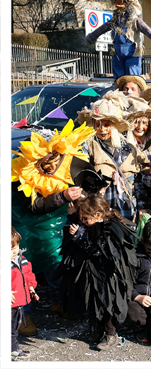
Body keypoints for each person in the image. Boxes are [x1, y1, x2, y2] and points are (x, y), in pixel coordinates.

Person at [11, 120, 95, 330]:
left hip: (52, 231)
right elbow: (32, 206)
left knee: (55, 266)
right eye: (46, 161)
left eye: (55, 161)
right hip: (28, 231)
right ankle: (23, 316)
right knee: (21, 274)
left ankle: (57, 302)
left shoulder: (67, 168)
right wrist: (62, 197)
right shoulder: (23, 174)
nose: (51, 165)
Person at [56, 195, 138, 350]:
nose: (84, 222)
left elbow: (97, 251)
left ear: (98, 215)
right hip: (96, 274)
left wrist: (80, 237)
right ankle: (97, 331)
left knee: (107, 305)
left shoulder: (109, 228)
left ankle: (110, 334)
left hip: (108, 276)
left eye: (86, 219)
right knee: (95, 303)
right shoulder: (94, 224)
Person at [77, 94, 142, 222]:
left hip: (126, 209)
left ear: (114, 126)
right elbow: (80, 179)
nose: (102, 129)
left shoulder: (128, 149)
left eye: (106, 125)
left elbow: (138, 181)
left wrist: (141, 206)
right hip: (99, 210)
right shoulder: (88, 148)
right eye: (98, 125)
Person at [85, 0, 151, 78]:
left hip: (132, 53)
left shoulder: (135, 21)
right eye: (116, 0)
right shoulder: (114, 21)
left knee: (132, 77)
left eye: (121, 0)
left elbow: (147, 30)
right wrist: (92, 37)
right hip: (117, 54)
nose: (118, 3)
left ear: (128, 3)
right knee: (119, 79)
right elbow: (102, 28)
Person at [11, 227, 37, 361]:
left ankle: (13, 349)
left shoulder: (21, 259)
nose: (15, 251)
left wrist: (32, 287)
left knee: (14, 327)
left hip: (19, 301)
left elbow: (28, 275)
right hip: (8, 302)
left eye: (16, 246)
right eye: (10, 249)